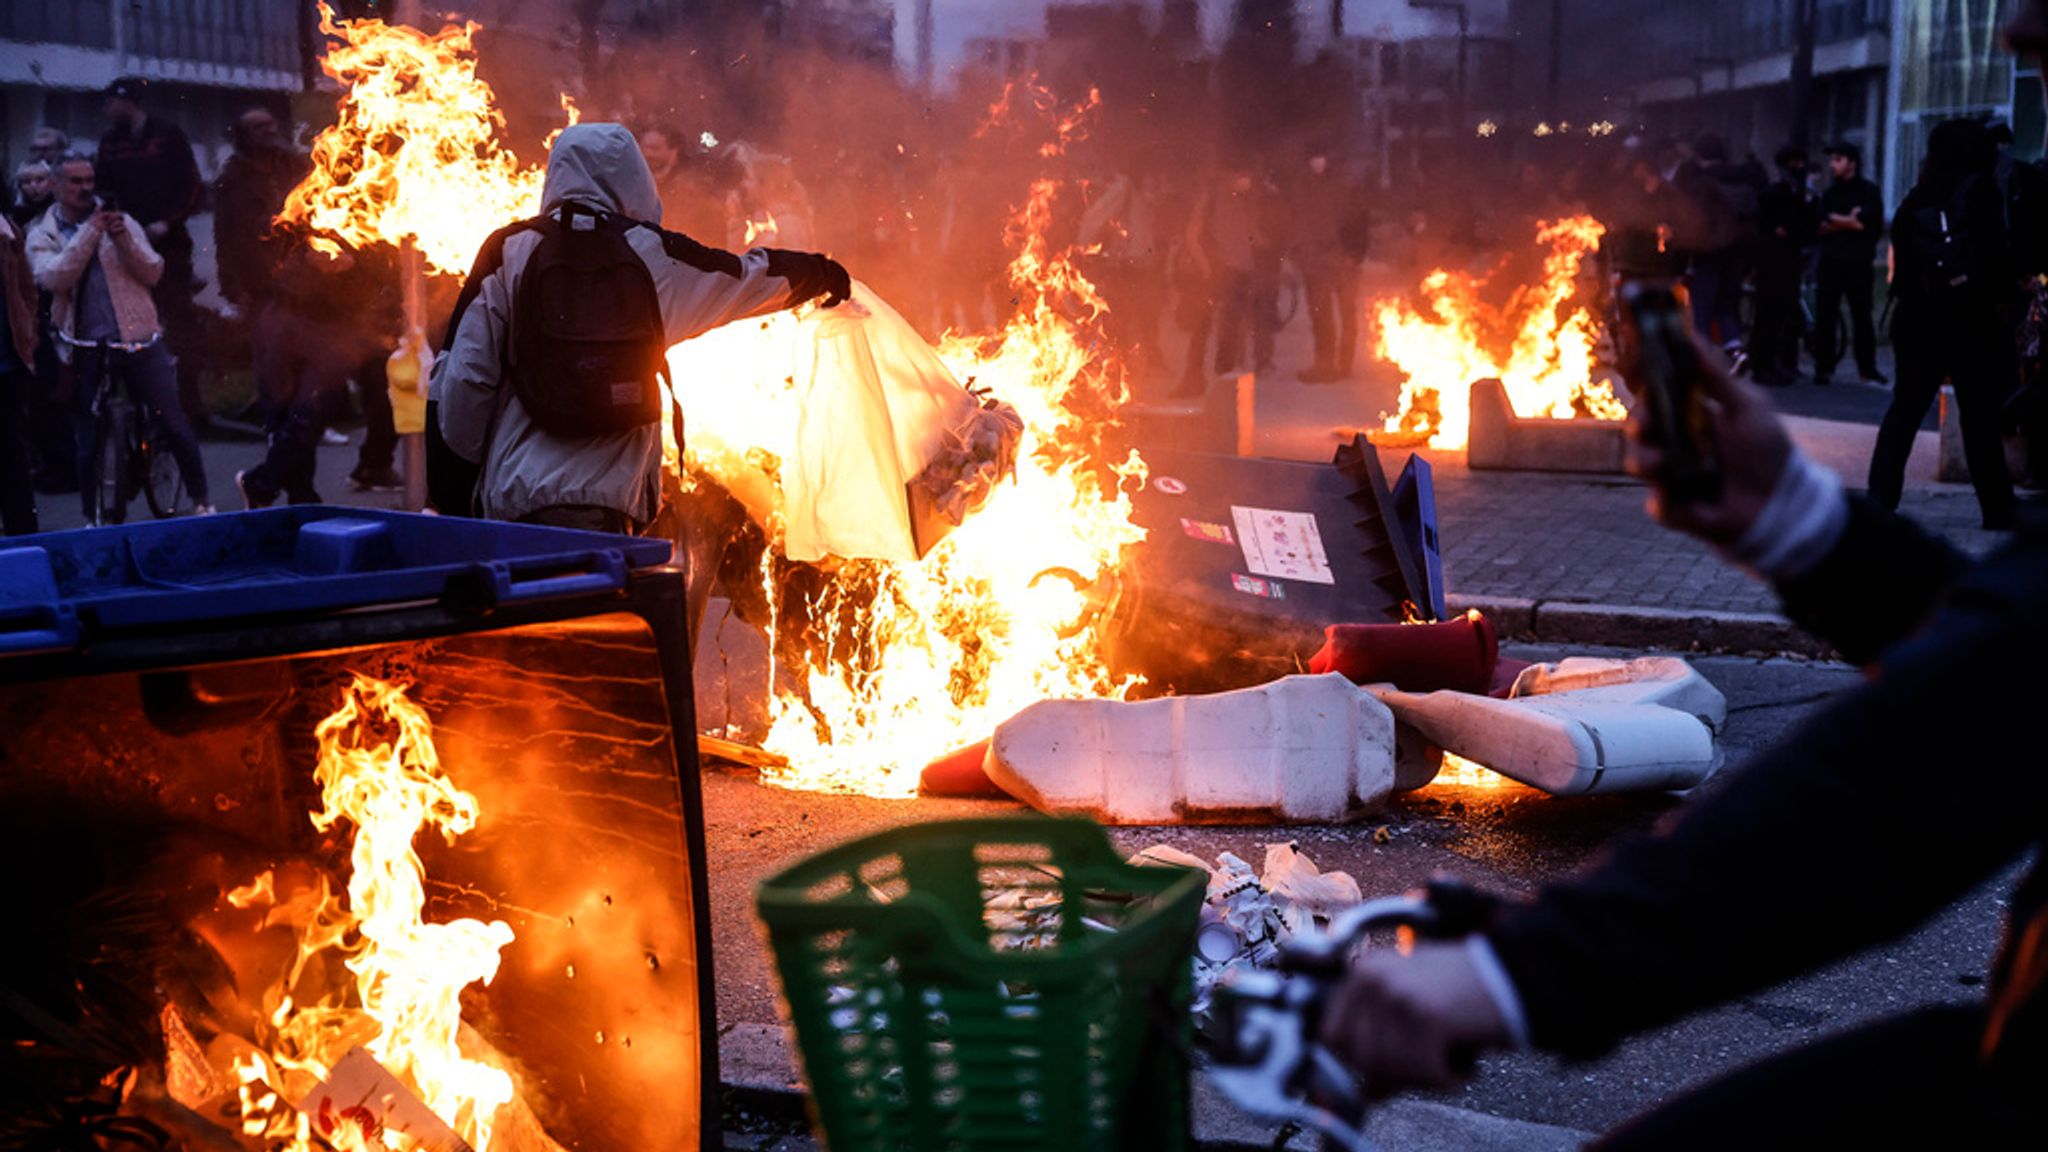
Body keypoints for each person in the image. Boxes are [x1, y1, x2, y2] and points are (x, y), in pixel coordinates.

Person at [430, 122, 850, 534]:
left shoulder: (509, 250)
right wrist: (821, 273)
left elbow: (466, 377)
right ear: (635, 180)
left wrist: (456, 488)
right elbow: (742, 279)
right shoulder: (651, 252)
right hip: (611, 505)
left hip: (517, 500)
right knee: (604, 584)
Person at [26, 156, 212, 523]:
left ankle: (202, 500)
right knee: (89, 438)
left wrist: (122, 237)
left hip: (139, 338)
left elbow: (153, 271)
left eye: (89, 180)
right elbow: (52, 279)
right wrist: (90, 234)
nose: (85, 188)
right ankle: (92, 518)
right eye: (75, 182)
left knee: (173, 420)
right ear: (57, 188)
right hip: (85, 346)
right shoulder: (42, 233)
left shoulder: (123, 222)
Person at [1868, 119, 2018, 530]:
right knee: (1979, 415)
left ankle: (1880, 499)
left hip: (1916, 320)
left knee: (1904, 411)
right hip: (1969, 320)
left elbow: (1902, 271)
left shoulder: (1916, 196)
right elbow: (1994, 254)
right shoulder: (1980, 190)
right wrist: (2005, 296)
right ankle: (1997, 509)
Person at [96, 77, 208, 428]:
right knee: (136, 323)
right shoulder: (110, 143)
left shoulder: (167, 135)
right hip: (128, 246)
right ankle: (145, 405)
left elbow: (191, 184)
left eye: (111, 102)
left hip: (169, 244)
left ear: (128, 101)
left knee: (178, 321)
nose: (106, 109)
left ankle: (190, 406)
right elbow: (103, 189)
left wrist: (168, 222)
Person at [212, 106, 309, 423]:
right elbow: (224, 236)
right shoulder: (232, 179)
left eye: (270, 124)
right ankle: (275, 421)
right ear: (244, 136)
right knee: (270, 354)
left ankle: (306, 419)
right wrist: (231, 287)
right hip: (259, 281)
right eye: (259, 127)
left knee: (304, 349)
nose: (269, 131)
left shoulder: (293, 166)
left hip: (300, 277)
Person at [1292, 147, 1372, 383]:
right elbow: (1297, 222)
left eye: (1320, 157)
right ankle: (1324, 365)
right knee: (1321, 315)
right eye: (1313, 158)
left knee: (1346, 313)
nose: (1317, 162)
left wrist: (1356, 253)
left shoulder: (1345, 185)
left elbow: (1360, 219)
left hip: (1342, 259)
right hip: (1316, 261)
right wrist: (1300, 252)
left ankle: (1343, 365)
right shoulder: (1303, 186)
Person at [1812, 141, 1887, 386]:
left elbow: (1866, 223)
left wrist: (1837, 221)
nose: (1833, 165)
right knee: (1826, 316)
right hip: (1831, 261)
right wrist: (1849, 221)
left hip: (1858, 262)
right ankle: (1823, 367)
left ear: (1852, 163)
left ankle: (1867, 367)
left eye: (1838, 160)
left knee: (1862, 316)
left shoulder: (1868, 191)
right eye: (1832, 160)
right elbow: (1820, 225)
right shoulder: (1829, 194)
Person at [1748, 147, 1818, 387]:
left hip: (1788, 262)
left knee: (1782, 315)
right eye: (1794, 163)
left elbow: (1804, 226)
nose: (1798, 168)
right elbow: (1776, 227)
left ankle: (1777, 362)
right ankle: (1763, 365)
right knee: (1768, 316)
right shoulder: (1772, 195)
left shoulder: (1798, 195)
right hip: (1773, 263)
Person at [0, 210, 39, 534]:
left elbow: (27, 289)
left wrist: (28, 332)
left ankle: (22, 536)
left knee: (12, 453)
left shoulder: (8, 232)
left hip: (8, 362)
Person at [11, 161, 53, 228]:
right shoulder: (17, 216)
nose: (33, 186)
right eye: (27, 181)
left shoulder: (60, 210)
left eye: (40, 180)